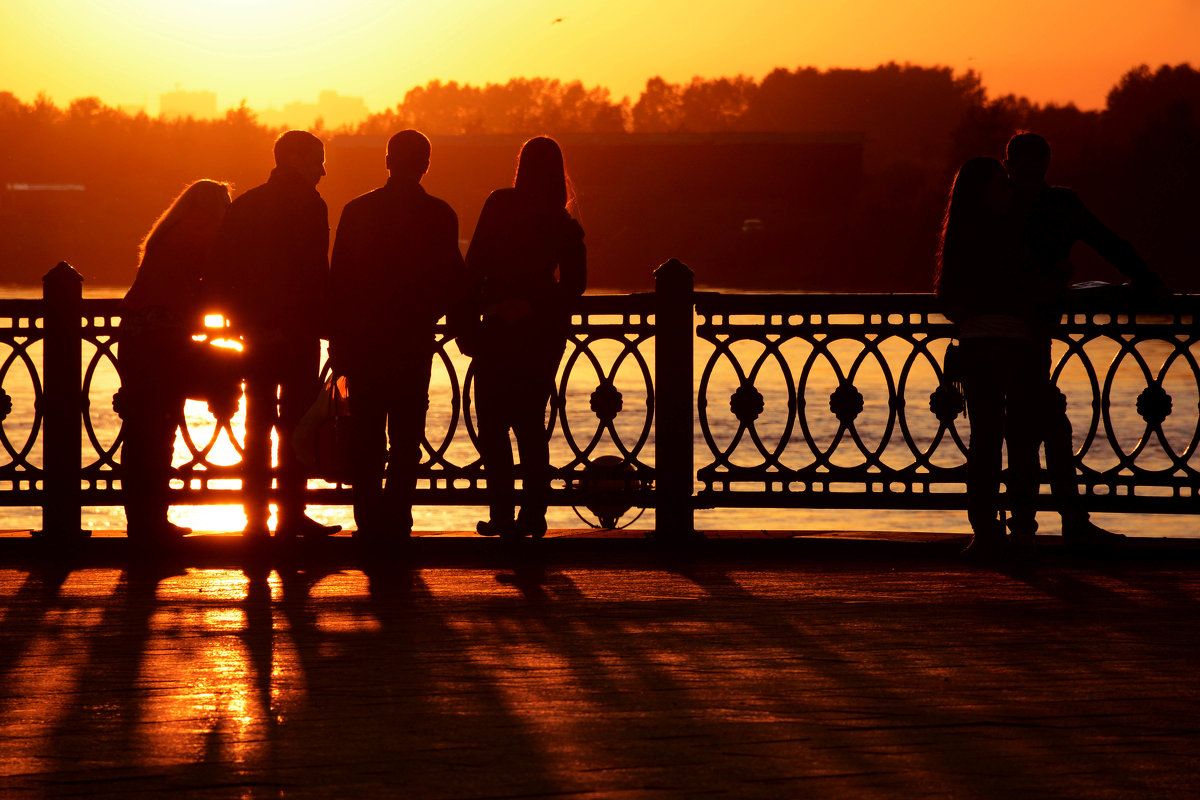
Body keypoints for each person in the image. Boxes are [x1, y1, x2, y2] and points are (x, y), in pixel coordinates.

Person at [1005, 131, 1168, 546]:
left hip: (1006, 333)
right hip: (1028, 332)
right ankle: (1059, 522)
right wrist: (1144, 277)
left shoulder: (1000, 204)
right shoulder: (1060, 204)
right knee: (1044, 425)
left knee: (1028, 427)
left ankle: (1027, 523)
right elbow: (1109, 242)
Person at [329, 130, 466, 541]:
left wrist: (338, 341)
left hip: (364, 341)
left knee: (365, 433)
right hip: (412, 341)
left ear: (387, 162)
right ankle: (398, 519)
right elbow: (452, 281)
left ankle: (369, 520)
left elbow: (339, 282)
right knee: (407, 434)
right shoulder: (440, 215)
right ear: (426, 165)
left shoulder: (357, 211)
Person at [206, 130, 340, 539]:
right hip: (297, 332)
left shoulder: (245, 204)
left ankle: (255, 519)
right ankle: (291, 515)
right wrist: (324, 325)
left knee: (257, 421)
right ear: (296, 160)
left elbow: (222, 271)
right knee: (296, 423)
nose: (323, 169)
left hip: (254, 333)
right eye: (317, 159)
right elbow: (313, 273)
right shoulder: (310, 205)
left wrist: (242, 321)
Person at [459, 136, 586, 538]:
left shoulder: (499, 204)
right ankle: (533, 515)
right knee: (531, 426)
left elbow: (473, 264)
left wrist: (482, 314)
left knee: (492, 426)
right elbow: (575, 285)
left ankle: (501, 514)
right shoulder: (563, 223)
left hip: (495, 327)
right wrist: (534, 304)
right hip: (540, 334)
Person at [935, 157, 1043, 558]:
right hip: (1013, 345)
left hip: (979, 345)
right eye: (1000, 186)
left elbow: (950, 299)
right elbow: (1031, 289)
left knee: (986, 442)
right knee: (1019, 442)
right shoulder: (1016, 232)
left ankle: (985, 531)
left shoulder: (961, 236)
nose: (1007, 192)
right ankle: (1021, 532)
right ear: (983, 191)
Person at [119, 179, 231, 542]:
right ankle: (152, 522)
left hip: (136, 337)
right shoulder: (203, 229)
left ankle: (142, 521)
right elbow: (217, 277)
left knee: (142, 431)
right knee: (161, 427)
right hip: (163, 339)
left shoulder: (168, 232)